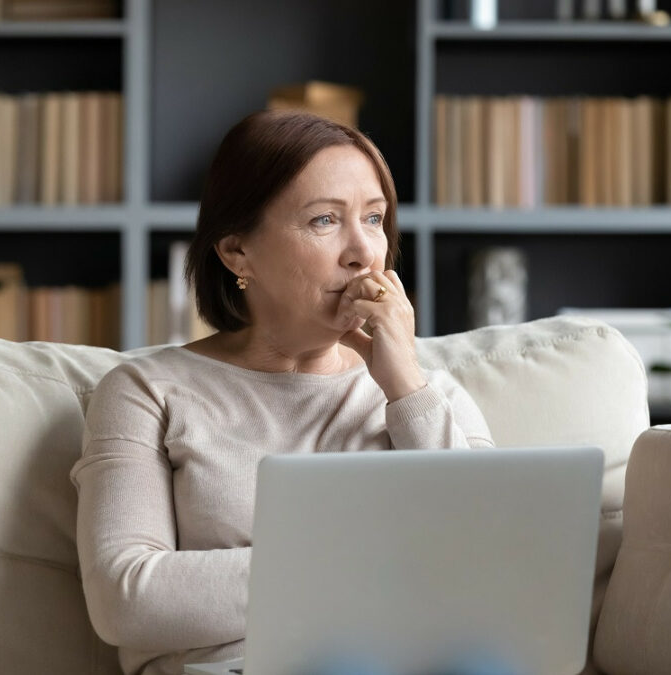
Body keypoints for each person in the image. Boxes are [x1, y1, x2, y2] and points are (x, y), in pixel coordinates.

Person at [70, 110, 495, 675]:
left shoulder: (424, 394)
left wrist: (404, 389)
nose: (363, 252)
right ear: (237, 252)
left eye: (373, 219)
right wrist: (379, 565)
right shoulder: (146, 392)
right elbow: (126, 600)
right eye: (324, 220)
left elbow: (488, 575)